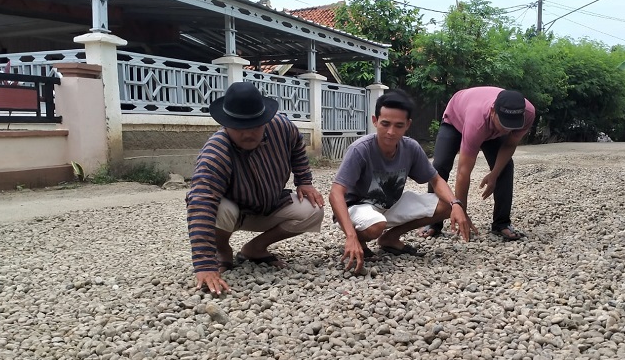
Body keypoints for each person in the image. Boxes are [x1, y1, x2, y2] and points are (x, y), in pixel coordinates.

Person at [186, 82, 325, 294]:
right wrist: (204, 263)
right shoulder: (215, 152)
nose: (248, 134)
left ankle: (255, 248)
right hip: (234, 212)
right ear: (226, 124)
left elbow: (297, 144)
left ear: (265, 120)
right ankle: (222, 251)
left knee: (314, 209)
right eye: (240, 128)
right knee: (218, 207)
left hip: (272, 204)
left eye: (255, 126)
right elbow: (200, 203)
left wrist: (303, 180)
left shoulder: (281, 126)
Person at [329, 89, 477, 273]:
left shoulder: (410, 147)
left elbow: (436, 179)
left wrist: (456, 204)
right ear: (375, 121)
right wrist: (350, 235)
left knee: (446, 205)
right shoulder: (360, 150)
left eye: (398, 125)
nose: (391, 132)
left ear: (408, 125)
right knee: (376, 225)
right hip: (357, 208)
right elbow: (336, 193)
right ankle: (358, 240)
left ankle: (390, 239)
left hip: (388, 205)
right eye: (385, 124)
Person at [420, 87, 535, 241]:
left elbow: (509, 145)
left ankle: (502, 224)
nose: (508, 129)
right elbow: (463, 172)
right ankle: (433, 223)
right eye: (505, 123)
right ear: (493, 111)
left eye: (513, 125)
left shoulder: (528, 113)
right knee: (439, 167)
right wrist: (463, 213)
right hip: (456, 118)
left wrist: (494, 174)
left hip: (489, 126)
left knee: (505, 168)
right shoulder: (477, 121)